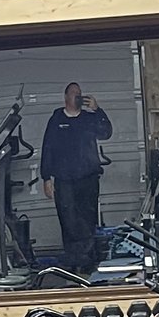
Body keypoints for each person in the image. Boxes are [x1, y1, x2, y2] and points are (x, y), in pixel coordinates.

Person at [39, 81, 112, 273]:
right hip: (64, 179)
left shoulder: (89, 118)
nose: (78, 96)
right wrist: (46, 178)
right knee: (68, 218)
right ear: (66, 98)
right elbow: (48, 148)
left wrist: (98, 111)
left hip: (87, 178)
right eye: (74, 93)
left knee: (88, 218)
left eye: (80, 93)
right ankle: (73, 260)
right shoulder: (56, 119)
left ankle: (87, 261)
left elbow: (106, 133)